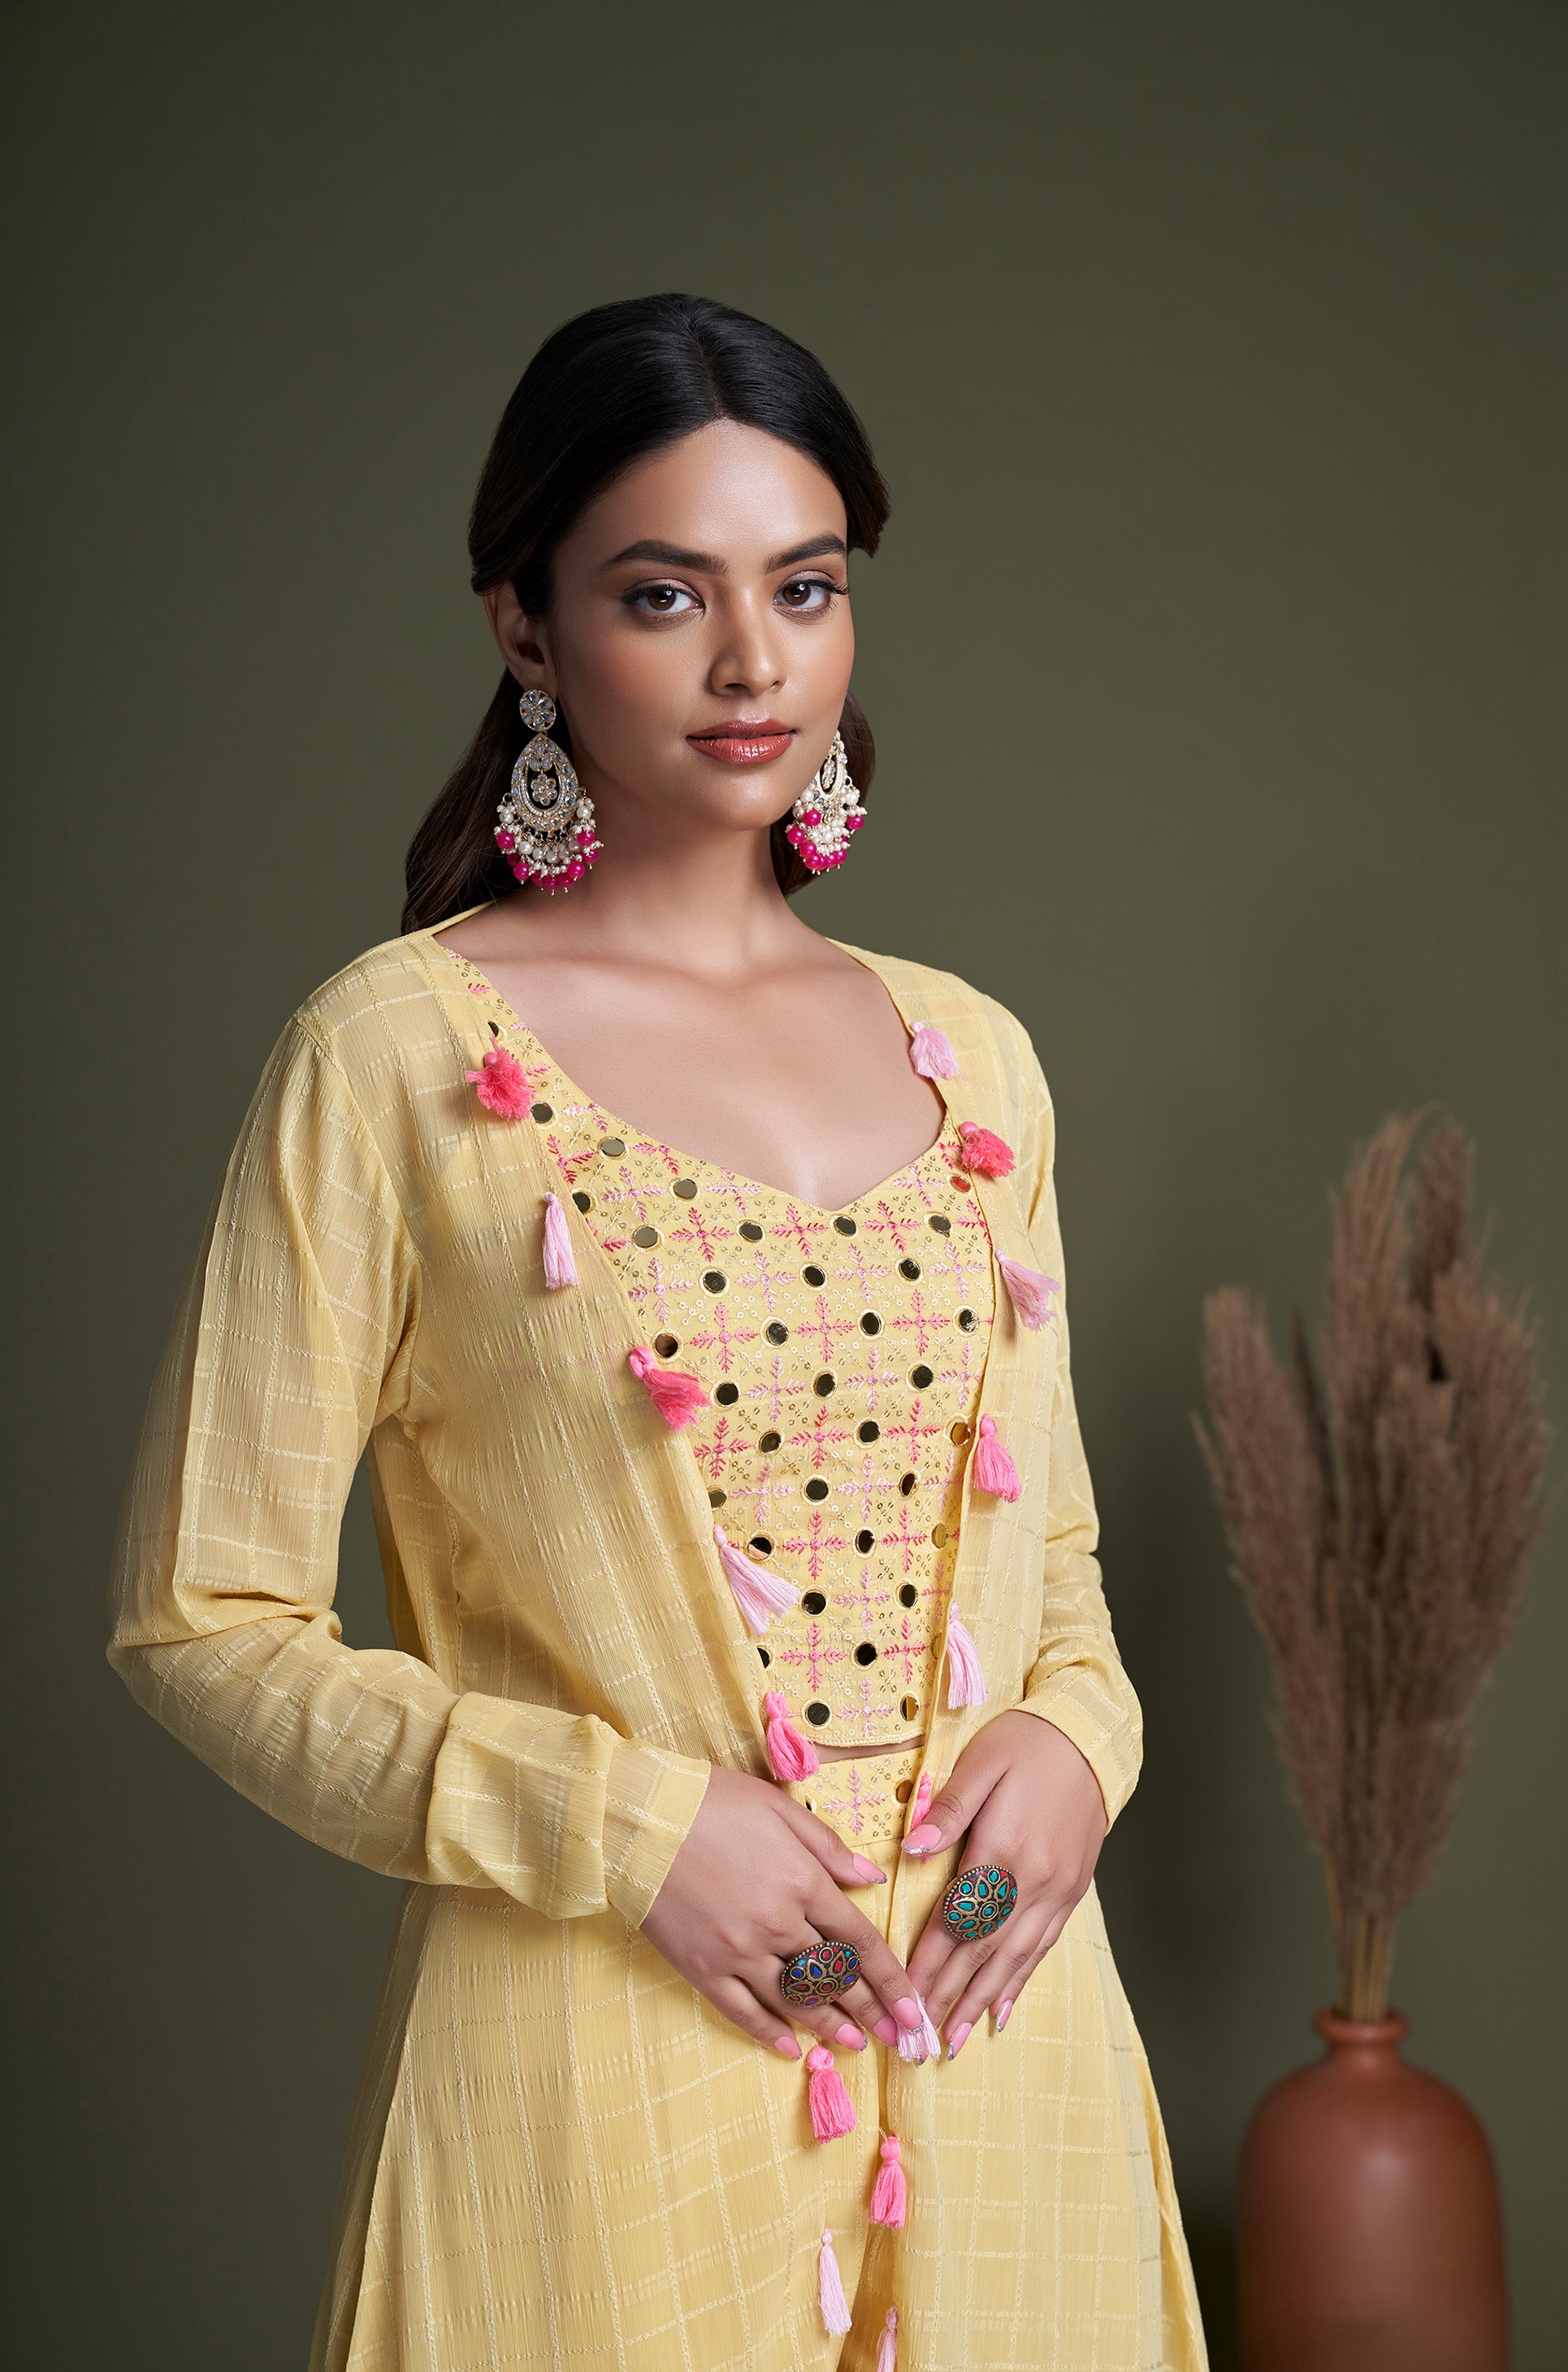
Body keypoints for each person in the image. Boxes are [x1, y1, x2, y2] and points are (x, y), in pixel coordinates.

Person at [109, 294, 1206, 2372]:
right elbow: (201, 1619)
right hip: (600, 2068)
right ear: (525, 627)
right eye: (660, 593)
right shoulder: (392, 1056)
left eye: (804, 585)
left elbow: (1051, 1562)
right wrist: (630, 1830)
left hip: (1005, 2052)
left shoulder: (973, 1056)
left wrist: (1082, 1745)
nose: (751, 661)